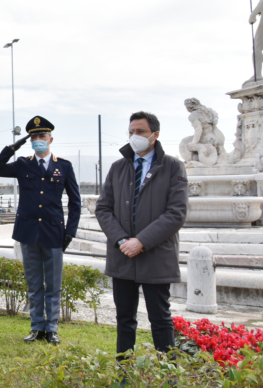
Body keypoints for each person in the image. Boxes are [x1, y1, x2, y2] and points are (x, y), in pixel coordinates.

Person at [95, 112, 188, 360]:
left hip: (156, 256)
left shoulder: (172, 166)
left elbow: (176, 213)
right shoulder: (118, 167)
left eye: (141, 132)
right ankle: (125, 371)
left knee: (160, 318)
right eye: (131, 132)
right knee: (124, 318)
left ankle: (168, 373)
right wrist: (122, 240)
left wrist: (142, 241)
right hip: (122, 255)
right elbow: (103, 208)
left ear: (155, 135)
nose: (135, 136)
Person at [0, 116, 80, 345]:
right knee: (34, 283)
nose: (39, 140)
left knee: (54, 284)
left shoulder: (64, 166)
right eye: (34, 137)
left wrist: (70, 231)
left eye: (42, 136)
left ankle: (52, 329)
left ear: (51, 139)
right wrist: (14, 146)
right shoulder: (23, 163)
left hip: (54, 232)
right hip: (28, 232)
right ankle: (37, 327)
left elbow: (75, 202)